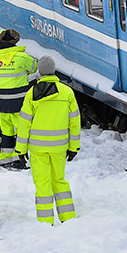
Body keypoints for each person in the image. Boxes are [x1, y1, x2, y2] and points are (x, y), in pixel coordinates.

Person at [15, 56, 81, 225]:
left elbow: (24, 124)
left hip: (38, 148)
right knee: (59, 180)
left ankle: (45, 221)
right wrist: (74, 147)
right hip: (59, 147)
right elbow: (75, 123)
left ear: (40, 72)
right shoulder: (67, 92)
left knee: (43, 183)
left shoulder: (32, 94)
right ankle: (68, 219)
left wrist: (20, 150)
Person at [0, 28, 38, 169]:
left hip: (3, 105)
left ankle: (6, 160)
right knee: (23, 133)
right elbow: (36, 68)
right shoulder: (23, 57)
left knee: (7, 133)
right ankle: (22, 159)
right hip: (20, 104)